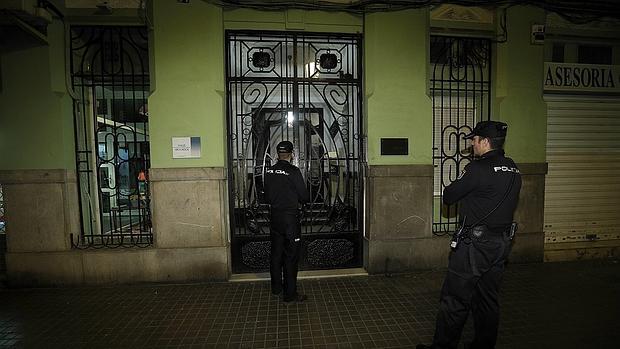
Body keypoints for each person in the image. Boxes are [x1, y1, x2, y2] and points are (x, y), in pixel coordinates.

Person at [417, 121, 522, 349]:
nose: (472, 144)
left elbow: (449, 196)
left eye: (474, 140)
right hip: (501, 244)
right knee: (487, 299)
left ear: (485, 142)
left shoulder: (478, 168)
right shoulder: (513, 167)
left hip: (474, 246)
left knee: (455, 299)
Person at [263, 140, 309, 303]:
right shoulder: (294, 171)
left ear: (277, 154)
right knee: (290, 256)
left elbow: (266, 196)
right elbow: (304, 196)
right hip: (290, 219)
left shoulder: (269, 171)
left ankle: (276, 288)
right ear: (292, 154)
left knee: (276, 254)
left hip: (275, 217)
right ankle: (290, 294)